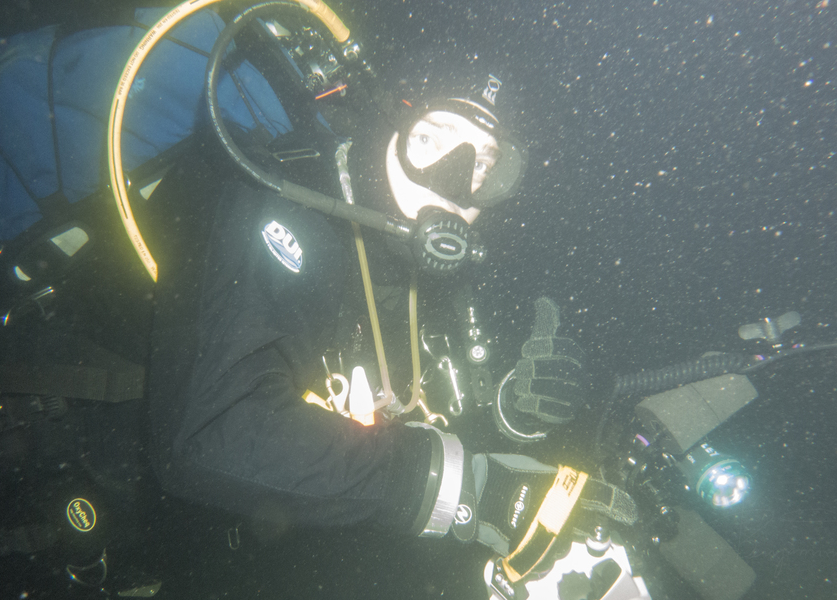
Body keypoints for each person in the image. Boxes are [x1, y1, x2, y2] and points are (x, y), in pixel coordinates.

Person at [143, 56, 638, 582]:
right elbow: (212, 432)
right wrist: (467, 490)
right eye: (431, 138)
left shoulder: (434, 269)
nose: (453, 181)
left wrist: (511, 409)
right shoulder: (276, 195)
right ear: (389, 122)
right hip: (153, 540)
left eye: (482, 166)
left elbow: (430, 410)